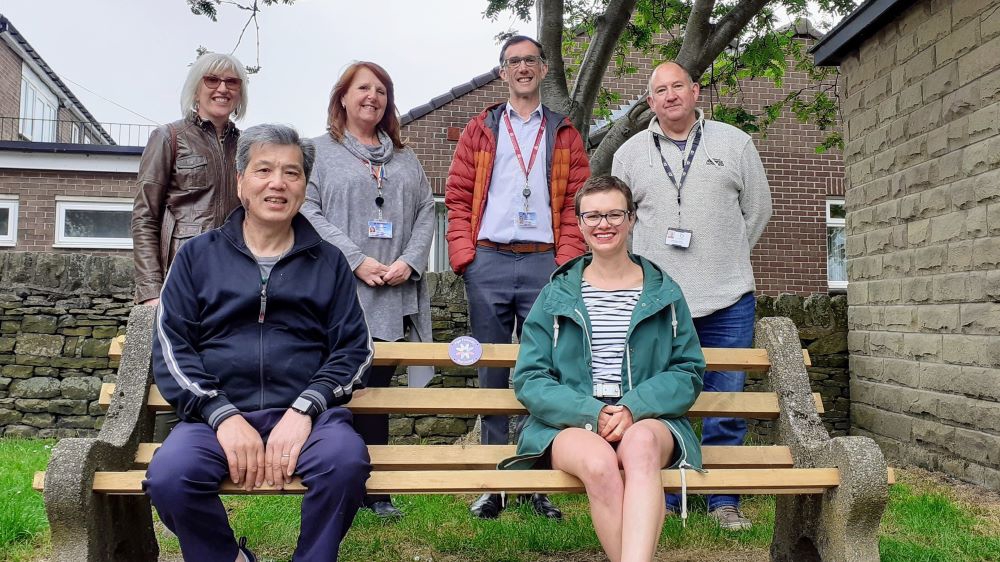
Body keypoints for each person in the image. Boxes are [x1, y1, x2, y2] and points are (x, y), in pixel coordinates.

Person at [143, 124, 373, 562]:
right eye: (264, 169)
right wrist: (222, 414)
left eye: (291, 173)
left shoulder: (329, 262)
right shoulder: (196, 256)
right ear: (241, 182)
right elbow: (173, 347)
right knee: (171, 477)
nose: (277, 183)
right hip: (213, 416)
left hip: (310, 418)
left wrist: (305, 410)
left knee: (346, 463)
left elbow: (354, 351)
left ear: (305, 186)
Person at [500, 175, 705, 562]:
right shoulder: (556, 293)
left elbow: (687, 370)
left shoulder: (664, 291)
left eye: (614, 214)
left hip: (647, 418)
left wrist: (633, 408)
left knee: (640, 448)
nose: (603, 224)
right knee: (599, 462)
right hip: (570, 421)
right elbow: (530, 377)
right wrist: (591, 413)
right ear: (578, 224)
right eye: (592, 216)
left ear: (631, 219)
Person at [611, 61, 772, 531]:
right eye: (659, 90)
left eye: (677, 86)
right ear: (650, 101)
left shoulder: (735, 143)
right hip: (656, 301)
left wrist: (726, 256)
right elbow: (620, 220)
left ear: (695, 91)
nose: (669, 96)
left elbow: (758, 210)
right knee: (653, 401)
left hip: (728, 296)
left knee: (726, 401)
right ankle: (657, 494)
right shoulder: (629, 153)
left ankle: (722, 499)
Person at [446, 34, 590, 521]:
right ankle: (495, 485)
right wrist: (465, 256)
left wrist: (565, 261)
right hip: (487, 259)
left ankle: (539, 481)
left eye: (530, 60)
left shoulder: (564, 132)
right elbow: (459, 193)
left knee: (545, 372)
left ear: (544, 69)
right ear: (502, 72)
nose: (522, 68)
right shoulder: (481, 128)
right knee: (491, 372)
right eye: (513, 62)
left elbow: (578, 201)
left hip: (544, 263)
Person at [301, 61, 435, 520]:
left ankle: (375, 490)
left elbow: (425, 215)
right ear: (342, 97)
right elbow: (308, 213)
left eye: (381, 90)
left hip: (391, 293)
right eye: (363, 88)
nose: (372, 97)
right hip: (339, 293)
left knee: (377, 394)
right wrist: (355, 259)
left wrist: (409, 262)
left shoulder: (406, 159)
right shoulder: (315, 152)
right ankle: (332, 482)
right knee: (339, 391)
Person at [131, 52, 248, 306]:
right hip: (184, 271)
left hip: (238, 272)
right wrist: (151, 289)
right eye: (212, 80)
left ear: (240, 93)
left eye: (232, 82)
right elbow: (144, 217)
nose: (222, 88)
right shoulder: (168, 137)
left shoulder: (249, 146)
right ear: (196, 90)